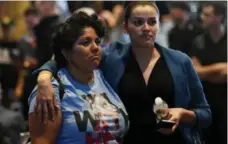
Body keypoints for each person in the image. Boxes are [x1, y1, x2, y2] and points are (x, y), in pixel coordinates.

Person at [34, 2, 211, 144]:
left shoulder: (180, 61)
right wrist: (44, 77)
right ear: (125, 27)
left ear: (159, 25)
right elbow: (66, 55)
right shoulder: (112, 57)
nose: (146, 27)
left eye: (152, 21)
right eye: (138, 22)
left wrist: (182, 114)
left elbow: (205, 114)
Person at [28, 11, 129, 144]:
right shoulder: (50, 91)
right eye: (86, 42)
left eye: (97, 41)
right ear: (66, 52)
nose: (95, 48)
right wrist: (43, 76)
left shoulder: (103, 75)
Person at [189, 2, 227, 144]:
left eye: (207, 14)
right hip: (206, 103)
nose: (201, 17)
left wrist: (206, 73)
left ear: (219, 17)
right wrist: (220, 69)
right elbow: (196, 73)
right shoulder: (198, 42)